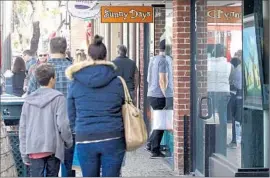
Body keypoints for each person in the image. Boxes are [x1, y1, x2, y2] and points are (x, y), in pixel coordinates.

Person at [65, 35, 126, 177]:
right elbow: (123, 107)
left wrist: (79, 128)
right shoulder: (116, 81)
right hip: (113, 136)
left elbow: (71, 113)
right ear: (106, 56)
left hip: (85, 136)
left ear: (89, 57)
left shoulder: (75, 82)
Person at [19, 64, 73, 177]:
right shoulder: (59, 98)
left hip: (34, 147)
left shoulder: (28, 101)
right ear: (52, 79)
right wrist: (68, 141)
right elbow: (63, 125)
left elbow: (23, 129)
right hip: (53, 147)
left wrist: (24, 152)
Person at [146, 39, 173, 158]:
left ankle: (150, 144)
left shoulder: (153, 59)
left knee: (159, 122)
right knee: (161, 124)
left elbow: (148, 78)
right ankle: (155, 150)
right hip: (159, 96)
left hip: (151, 94)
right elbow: (162, 80)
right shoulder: (163, 61)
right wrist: (167, 95)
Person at [227, 51, 242, 148]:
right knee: (238, 120)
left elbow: (235, 84)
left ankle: (234, 141)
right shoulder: (241, 68)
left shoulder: (237, 70)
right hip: (240, 97)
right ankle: (237, 140)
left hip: (235, 96)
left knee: (235, 119)